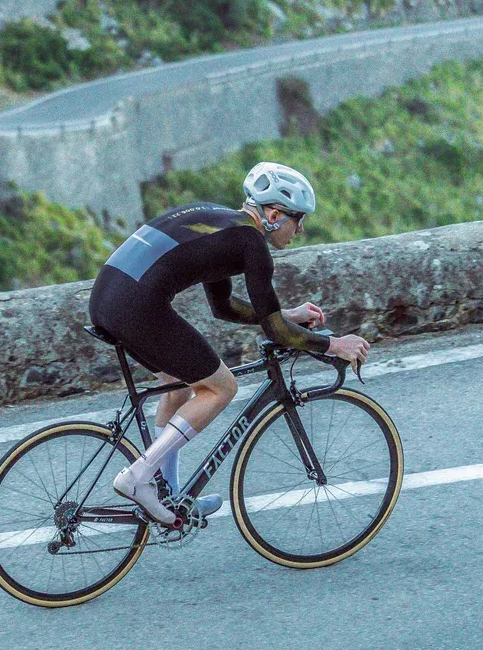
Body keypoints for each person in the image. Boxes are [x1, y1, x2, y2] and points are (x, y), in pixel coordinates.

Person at [88, 161, 371, 526]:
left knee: (178, 390)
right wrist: (335, 346)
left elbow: (223, 307)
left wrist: (286, 313)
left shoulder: (222, 222)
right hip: (135, 305)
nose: (300, 229)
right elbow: (277, 334)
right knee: (221, 387)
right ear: (273, 214)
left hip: (107, 298)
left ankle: (169, 495)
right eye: (298, 219)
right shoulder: (250, 243)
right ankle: (138, 477)